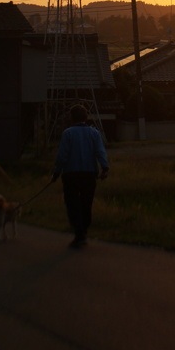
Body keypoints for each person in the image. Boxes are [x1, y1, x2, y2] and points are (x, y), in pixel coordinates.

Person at [50, 104, 109, 248]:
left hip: (71, 174)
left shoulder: (68, 133)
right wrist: (105, 167)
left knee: (72, 204)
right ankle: (84, 230)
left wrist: (56, 172)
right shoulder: (94, 133)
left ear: (71, 118)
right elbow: (100, 152)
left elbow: (62, 156)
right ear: (86, 117)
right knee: (86, 203)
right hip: (89, 174)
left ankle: (79, 232)